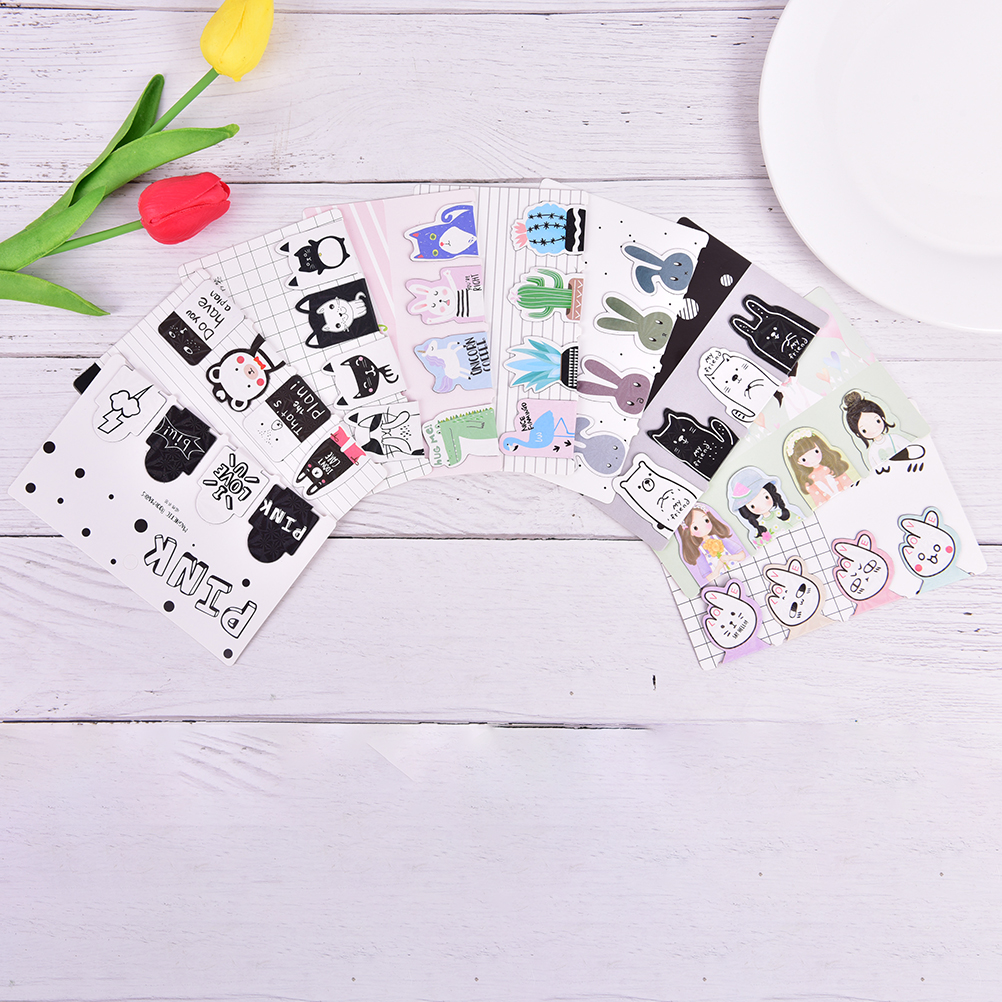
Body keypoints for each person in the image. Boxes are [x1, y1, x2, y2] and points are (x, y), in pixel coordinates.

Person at [726, 465, 804, 548]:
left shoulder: (783, 514)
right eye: (752, 506)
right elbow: (762, 547)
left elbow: (800, 523)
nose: (762, 505)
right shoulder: (759, 529)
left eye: (766, 497)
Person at [676, 504, 747, 587]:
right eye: (695, 527)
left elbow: (742, 555)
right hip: (720, 581)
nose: (703, 527)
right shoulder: (699, 552)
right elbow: (709, 578)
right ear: (689, 532)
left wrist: (729, 557)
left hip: (741, 568)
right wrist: (718, 567)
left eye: (706, 520)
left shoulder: (719, 539)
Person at [842, 390, 912, 470]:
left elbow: (911, 447)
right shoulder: (872, 452)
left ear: (882, 418)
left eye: (877, 421)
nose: (873, 429)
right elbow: (875, 469)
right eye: (864, 430)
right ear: (858, 434)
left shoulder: (894, 438)